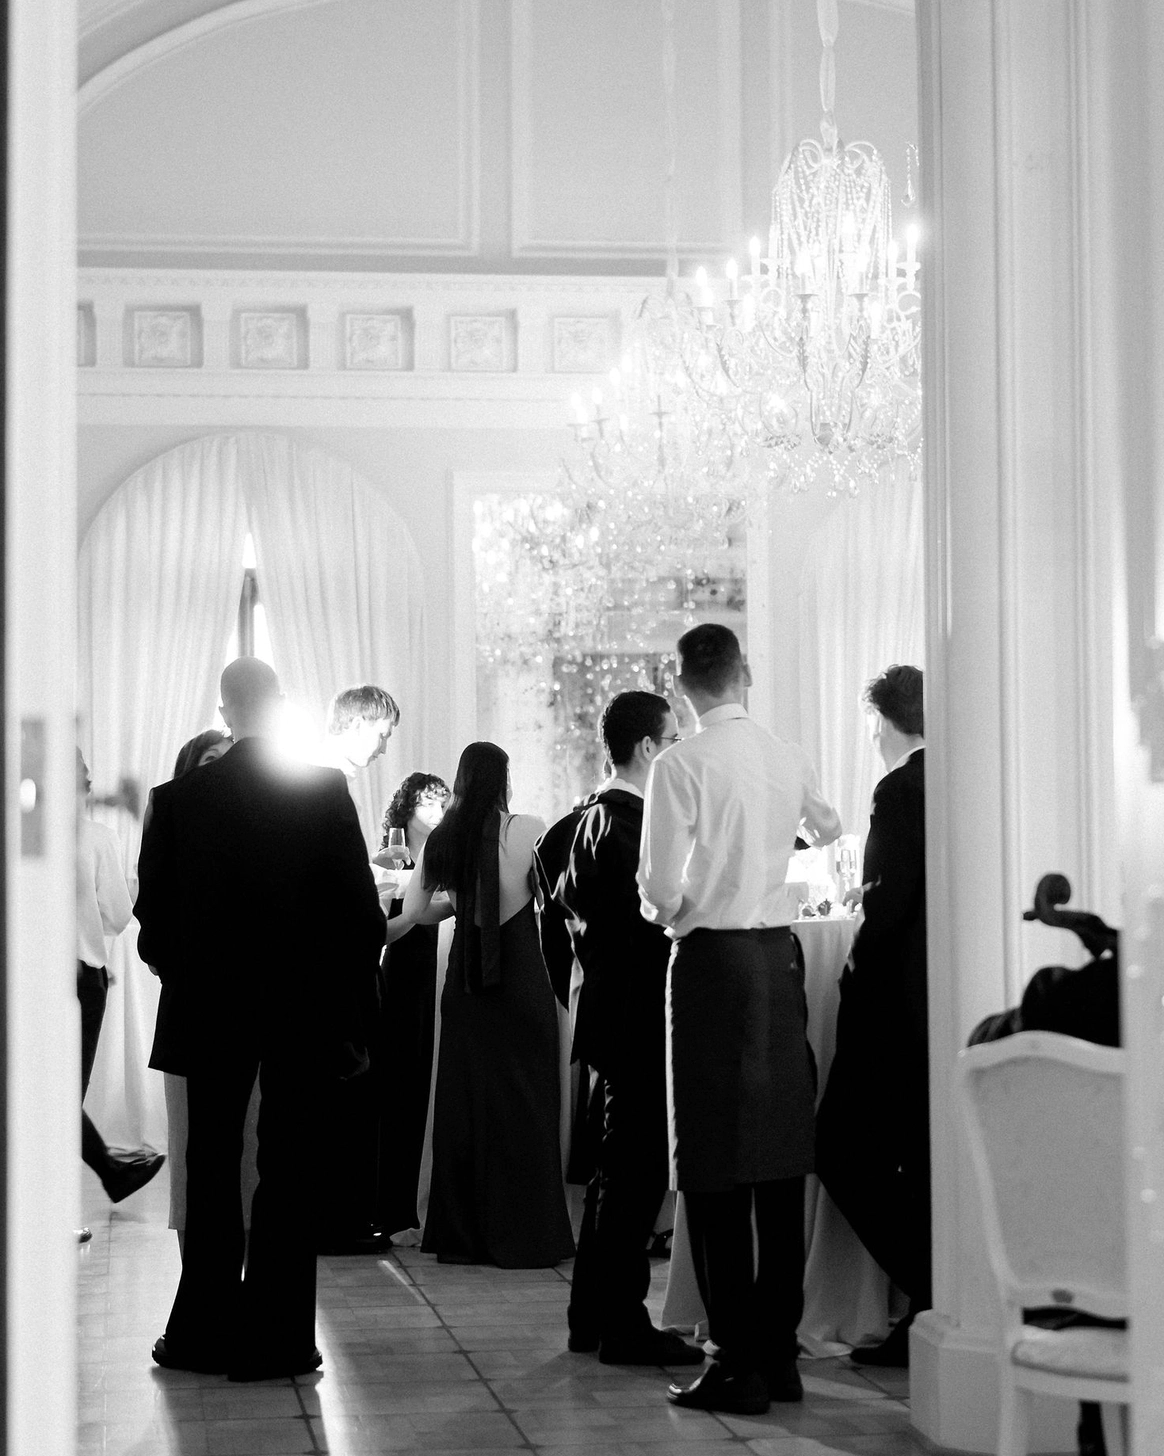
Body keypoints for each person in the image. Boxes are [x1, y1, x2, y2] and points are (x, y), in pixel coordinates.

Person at [135, 657, 385, 1380]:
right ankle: (279, 1337)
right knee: (289, 1165)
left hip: (210, 1005)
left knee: (211, 1163)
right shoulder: (323, 790)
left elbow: (154, 921)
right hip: (301, 1006)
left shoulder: (176, 801)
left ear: (224, 712)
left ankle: (202, 1332)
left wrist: (187, 973)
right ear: (277, 705)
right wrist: (344, 1003)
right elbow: (359, 917)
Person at [638, 624, 842, 1416]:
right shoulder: (785, 754)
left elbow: (658, 885)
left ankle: (734, 1363)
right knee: (780, 1160)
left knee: (713, 1162)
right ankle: (779, 1357)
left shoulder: (679, 763)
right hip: (776, 961)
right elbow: (827, 828)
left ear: (681, 682)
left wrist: (678, 909)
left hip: (712, 966)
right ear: (744, 673)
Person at [555, 691, 703, 1367]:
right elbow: (649, 928)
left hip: (611, 1014)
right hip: (638, 1015)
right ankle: (621, 1322)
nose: (678, 751)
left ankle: (590, 1315)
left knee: (616, 1173)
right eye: (672, 740)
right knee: (635, 1173)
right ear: (648, 748)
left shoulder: (591, 817)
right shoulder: (629, 824)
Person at [385, 741, 575, 1268]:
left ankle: (464, 1234)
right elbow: (552, 900)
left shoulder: (444, 838)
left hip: (468, 985)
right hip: (522, 981)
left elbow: (416, 913)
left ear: (461, 781)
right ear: (504, 780)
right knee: (527, 1104)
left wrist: (457, 903)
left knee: (466, 1105)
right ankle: (528, 1232)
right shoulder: (529, 828)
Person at [816, 664, 927, 1369]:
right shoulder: (954, 777)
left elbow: (888, 909)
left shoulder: (897, 788)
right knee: (920, 1158)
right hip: (936, 1000)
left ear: (880, 721)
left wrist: (851, 977)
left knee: (839, 1147)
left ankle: (931, 1291)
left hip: (891, 1005)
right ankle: (929, 1303)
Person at [152, 729, 251, 1259]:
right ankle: (197, 1278)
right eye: (211, 760)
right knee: (192, 1152)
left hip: (253, 1015)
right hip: (190, 1014)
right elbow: (152, 926)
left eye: (228, 760)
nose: (221, 770)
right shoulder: (170, 814)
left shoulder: (258, 824)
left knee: (250, 1155)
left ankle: (244, 1280)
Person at [314, 681, 400, 1254]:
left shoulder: (326, 781)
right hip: (336, 972)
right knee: (346, 1096)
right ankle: (340, 1221)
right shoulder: (324, 783)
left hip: (333, 965)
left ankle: (342, 1216)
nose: (384, 746)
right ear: (358, 722)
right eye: (382, 732)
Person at [76, 749, 165, 1226]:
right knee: (66, 1092)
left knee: (46, 1091)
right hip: (81, 977)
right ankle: (111, 1173)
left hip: (32, 980)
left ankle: (111, 1172)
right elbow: (116, 913)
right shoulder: (96, 837)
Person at [371, 771, 450, 1238]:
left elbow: (435, 911)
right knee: (398, 1085)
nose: (438, 812)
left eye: (442, 803)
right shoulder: (391, 858)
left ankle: (410, 1199)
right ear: (406, 810)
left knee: (423, 1085)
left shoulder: (441, 859)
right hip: (401, 978)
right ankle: (389, 1204)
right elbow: (382, 927)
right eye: (428, 803)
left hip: (433, 977)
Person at [319, 683, 399, 778]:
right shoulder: (324, 780)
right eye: (382, 735)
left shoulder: (332, 775)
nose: (383, 750)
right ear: (357, 725)